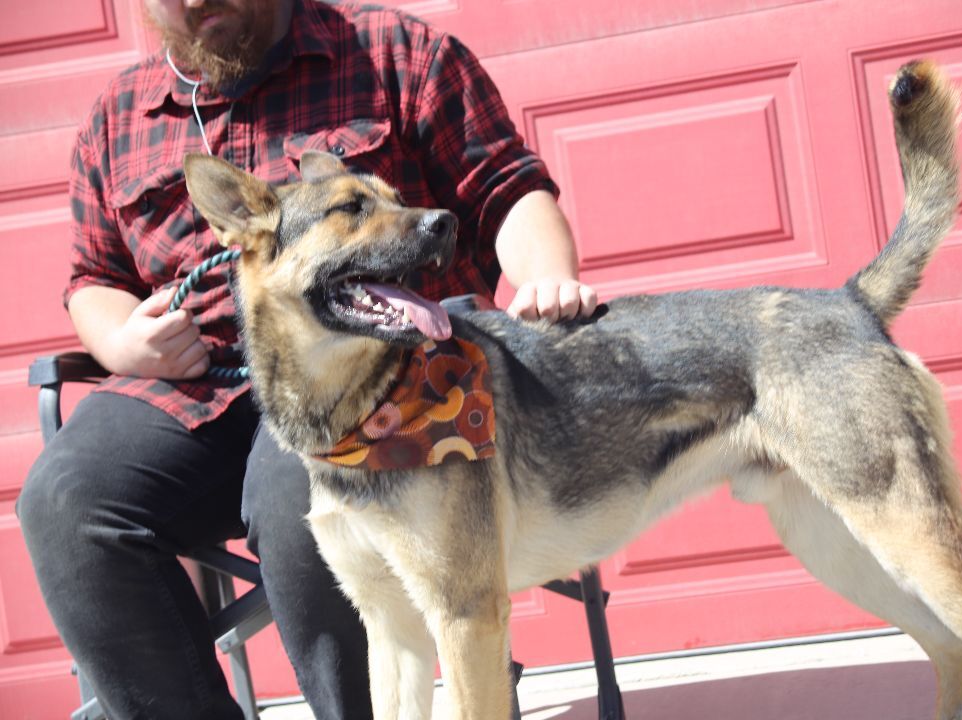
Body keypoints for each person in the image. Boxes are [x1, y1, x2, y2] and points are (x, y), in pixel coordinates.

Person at [17, 0, 597, 718]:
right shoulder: (118, 117)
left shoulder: (392, 53)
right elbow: (93, 277)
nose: (198, 5)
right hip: (199, 386)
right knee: (67, 499)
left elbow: (503, 191)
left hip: (379, 375)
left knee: (302, 492)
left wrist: (548, 278)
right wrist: (119, 342)